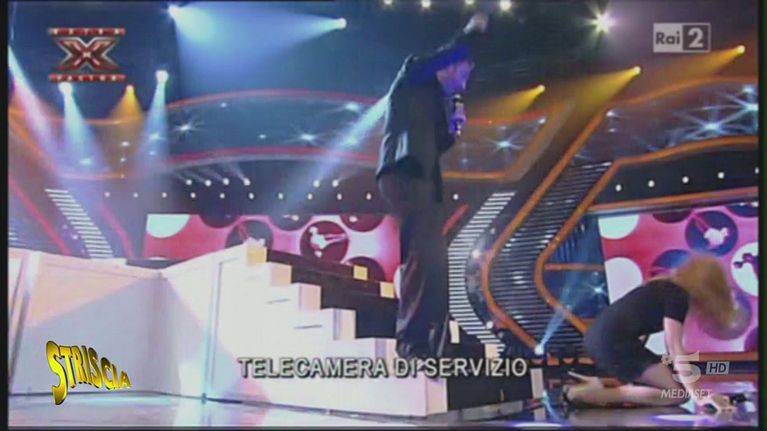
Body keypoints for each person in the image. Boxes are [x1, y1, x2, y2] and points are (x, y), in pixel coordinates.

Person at [376, 13, 489, 361]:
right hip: (402, 171)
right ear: (451, 66)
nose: (465, 83)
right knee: (423, 254)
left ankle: (434, 342)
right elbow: (449, 51)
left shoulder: (438, 103)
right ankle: (411, 342)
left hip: (424, 178)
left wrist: (453, 126)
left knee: (436, 260)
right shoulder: (414, 75)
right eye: (465, 73)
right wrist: (470, 32)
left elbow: (438, 145)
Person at [565, 255, 738, 413]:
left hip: (601, 340)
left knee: (672, 387)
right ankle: (581, 395)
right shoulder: (678, 296)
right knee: (677, 394)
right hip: (612, 343)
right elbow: (674, 348)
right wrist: (698, 395)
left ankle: (599, 385)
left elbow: (638, 326)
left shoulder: (664, 287)